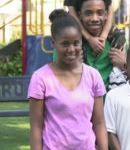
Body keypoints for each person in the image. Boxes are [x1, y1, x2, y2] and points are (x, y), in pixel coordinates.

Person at [28, 9, 108, 150]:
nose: (71, 49)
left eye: (76, 43)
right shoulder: (41, 78)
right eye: (65, 44)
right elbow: (36, 126)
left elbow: (99, 122)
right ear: (53, 43)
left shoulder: (93, 75)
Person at [73, 0, 127, 90]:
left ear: (106, 14)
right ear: (80, 15)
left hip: (111, 103)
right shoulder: (70, 44)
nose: (94, 18)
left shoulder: (118, 41)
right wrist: (71, 67)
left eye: (100, 13)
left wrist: (124, 65)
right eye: (88, 13)